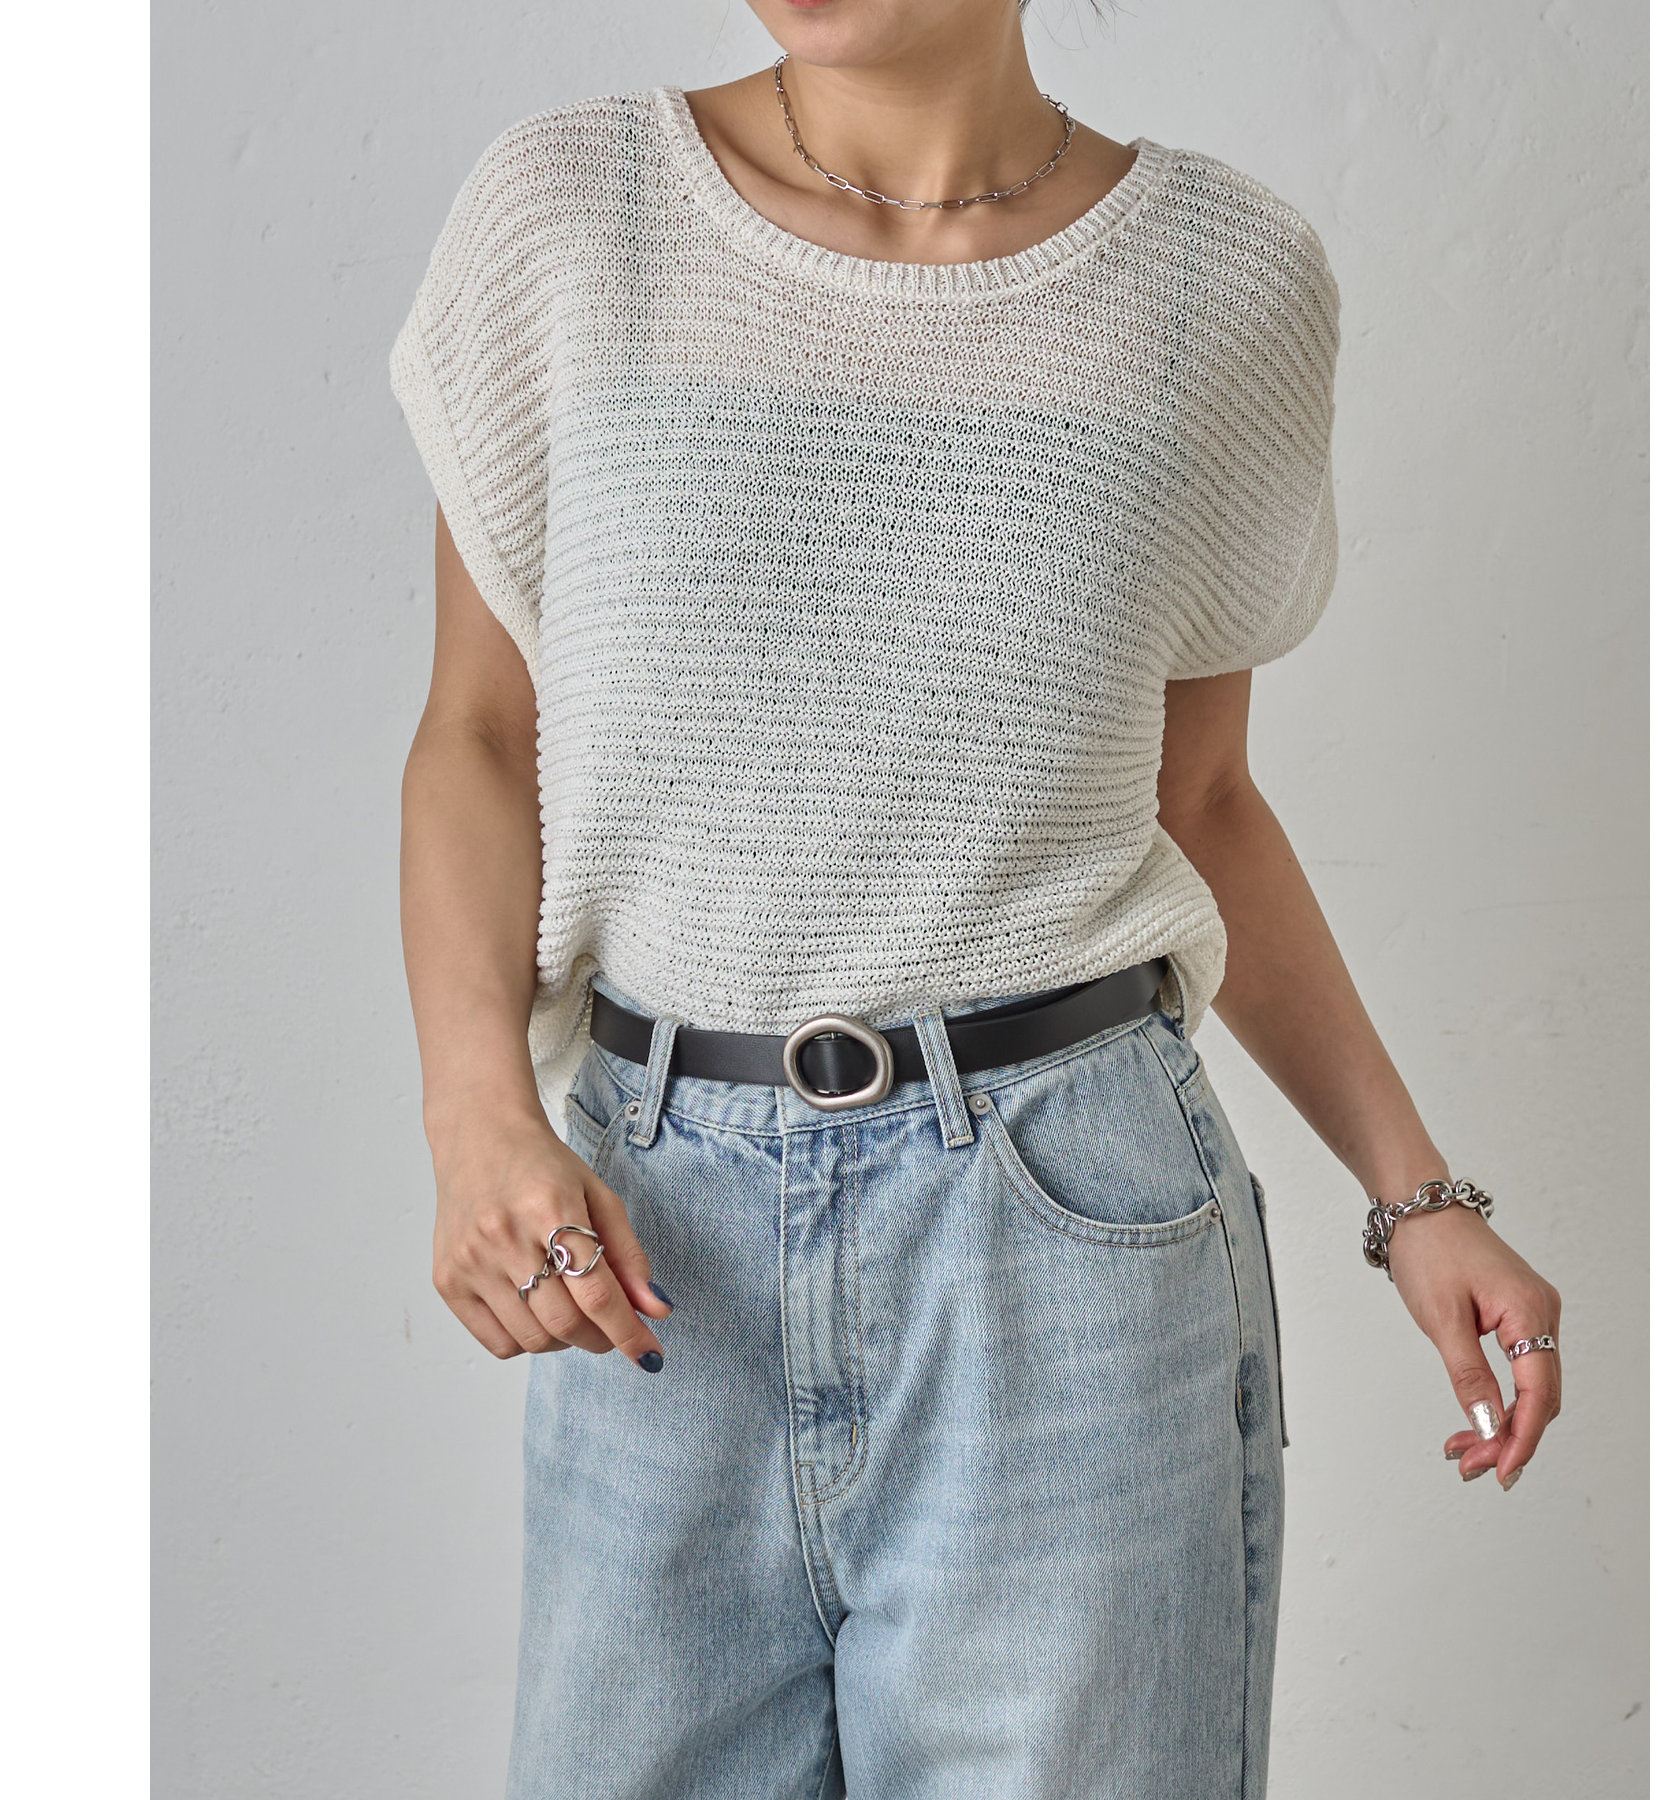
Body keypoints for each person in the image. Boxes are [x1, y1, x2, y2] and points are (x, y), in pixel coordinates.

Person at [390, 2, 1564, 1794]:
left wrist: (1419, 1198)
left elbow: (1201, 802)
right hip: (654, 1237)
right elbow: (479, 735)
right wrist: (476, 1112)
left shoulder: (1218, 279)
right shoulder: (574, 213)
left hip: (1067, 1239)